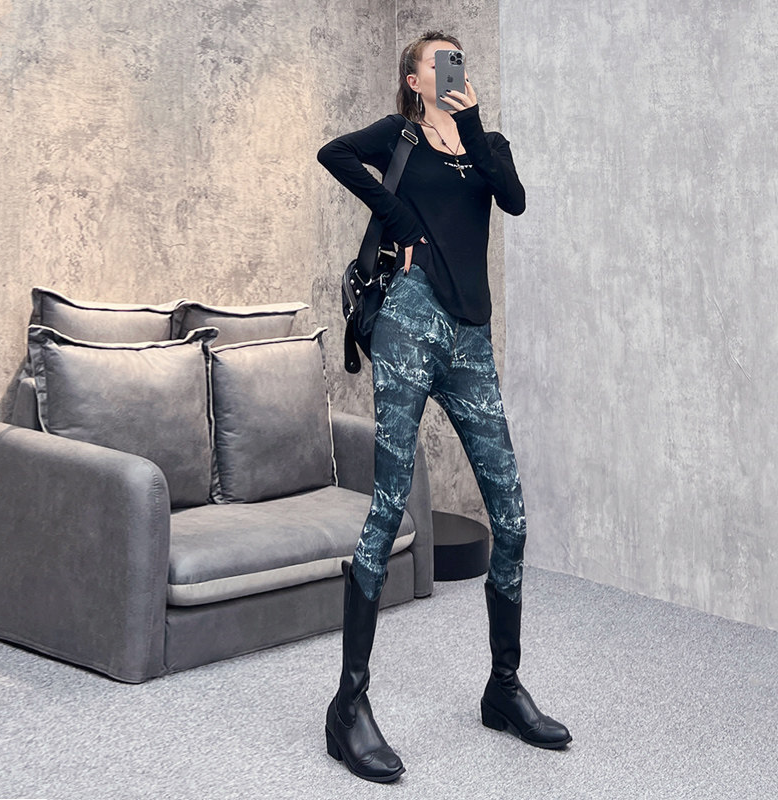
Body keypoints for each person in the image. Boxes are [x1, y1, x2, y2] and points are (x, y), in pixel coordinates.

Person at [316, 30, 571, 783]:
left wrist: (474, 123)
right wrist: (399, 221)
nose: (451, 67)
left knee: (511, 514)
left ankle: (503, 688)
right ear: (414, 77)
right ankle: (349, 706)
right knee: (388, 505)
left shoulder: (487, 144)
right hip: (408, 321)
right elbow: (334, 153)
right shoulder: (397, 136)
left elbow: (514, 200)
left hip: (470, 335)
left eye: (458, 59)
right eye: (438, 59)